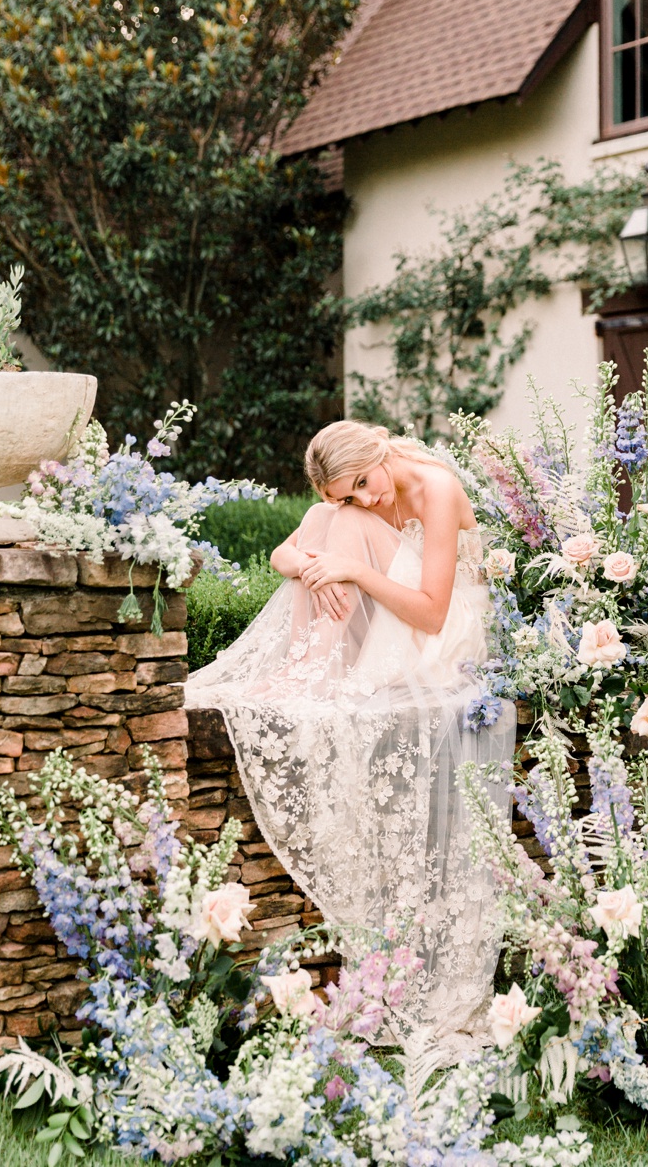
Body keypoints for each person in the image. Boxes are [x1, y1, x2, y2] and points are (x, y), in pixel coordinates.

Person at [184, 420, 515, 1051]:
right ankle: (312, 666)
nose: (366, 499)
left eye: (365, 483)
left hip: (448, 635)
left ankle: (311, 667)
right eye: (351, 494)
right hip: (398, 619)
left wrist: (352, 573)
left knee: (337, 536)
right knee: (319, 524)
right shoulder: (356, 501)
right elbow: (285, 551)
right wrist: (316, 562)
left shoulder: (435, 488)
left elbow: (434, 610)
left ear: (380, 453)